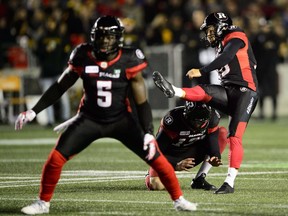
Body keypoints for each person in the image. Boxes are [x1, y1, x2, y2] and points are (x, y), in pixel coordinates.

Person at [15, 16, 197, 215]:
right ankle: (43, 203)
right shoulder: (82, 54)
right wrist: (33, 111)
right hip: (89, 119)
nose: (105, 41)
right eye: (101, 36)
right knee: (56, 158)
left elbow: (141, 101)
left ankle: (179, 199)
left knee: (156, 157)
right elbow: (60, 86)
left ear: (118, 38)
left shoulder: (129, 58)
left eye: (110, 37)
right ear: (94, 37)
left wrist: (147, 131)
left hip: (121, 119)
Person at [153, 12, 259, 194]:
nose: (208, 34)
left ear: (221, 26)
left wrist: (202, 70)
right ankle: (175, 91)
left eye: (210, 30)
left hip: (245, 92)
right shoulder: (221, 42)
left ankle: (229, 183)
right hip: (229, 89)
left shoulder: (236, 35)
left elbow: (226, 57)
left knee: (234, 136)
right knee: (205, 91)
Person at [145, 101, 228, 191]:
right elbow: (154, 152)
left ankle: (200, 179)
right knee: (156, 185)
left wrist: (215, 156)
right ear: (186, 116)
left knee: (222, 133)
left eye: (201, 121)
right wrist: (175, 164)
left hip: (191, 153)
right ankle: (151, 174)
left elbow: (213, 141)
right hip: (168, 156)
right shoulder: (174, 120)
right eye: (195, 120)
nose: (198, 125)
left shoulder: (212, 118)